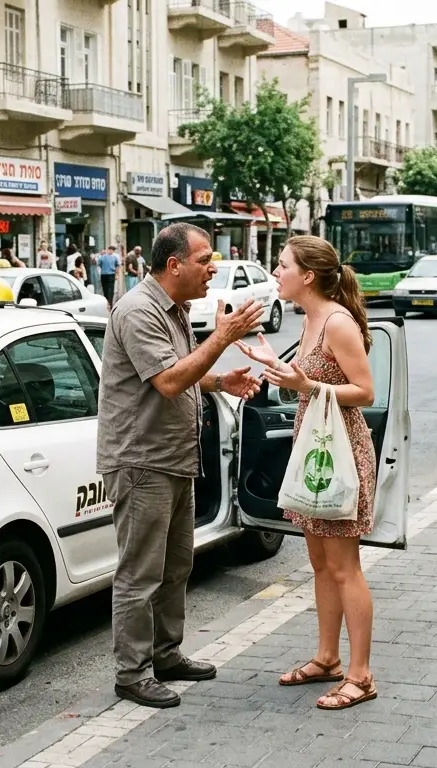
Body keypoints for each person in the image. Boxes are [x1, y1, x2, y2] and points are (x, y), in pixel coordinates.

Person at [95, 222, 264, 709]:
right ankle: (131, 673)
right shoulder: (137, 310)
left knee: (175, 566)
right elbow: (168, 381)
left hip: (173, 457)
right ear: (174, 265)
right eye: (204, 259)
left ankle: (166, 654)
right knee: (140, 573)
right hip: (141, 460)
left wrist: (217, 382)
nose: (213, 268)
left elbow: (180, 371)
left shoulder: (176, 309)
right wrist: (224, 337)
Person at [234, 236, 380, 711]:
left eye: (282, 266)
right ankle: (327, 659)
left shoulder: (336, 321)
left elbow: (365, 391)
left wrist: (304, 383)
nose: (276, 273)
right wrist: (276, 367)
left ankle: (360, 675)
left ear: (308, 276)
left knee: (344, 567)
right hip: (315, 450)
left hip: (340, 451)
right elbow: (309, 381)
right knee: (320, 564)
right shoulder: (310, 317)